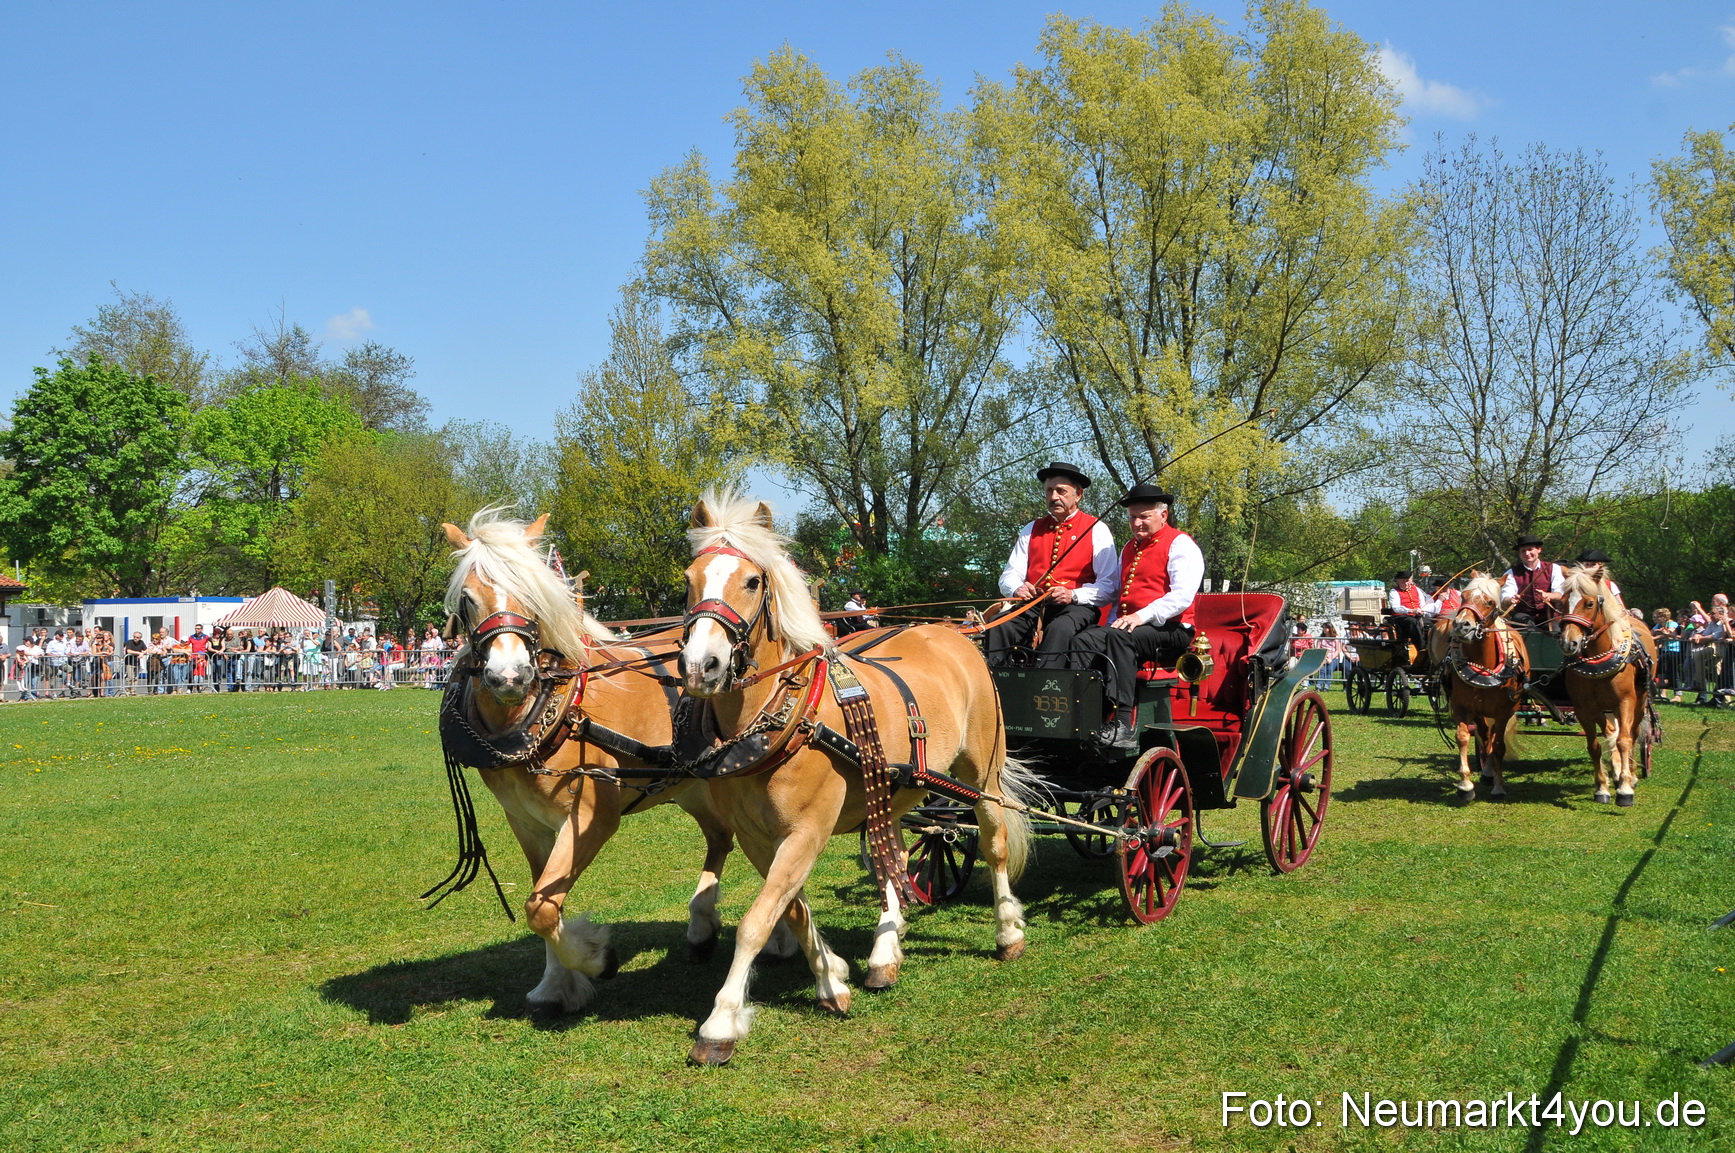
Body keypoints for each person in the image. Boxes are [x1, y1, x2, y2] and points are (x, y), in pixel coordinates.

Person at [1070, 484, 1203, 747]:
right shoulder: (1129, 548)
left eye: (1144, 516)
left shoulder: (1180, 544)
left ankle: (1122, 723)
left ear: (1163, 515)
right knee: (1083, 640)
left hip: (1173, 629)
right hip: (1131, 628)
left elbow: (1182, 596)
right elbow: (1120, 597)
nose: (1137, 522)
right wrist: (1107, 627)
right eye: (1133, 517)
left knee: (1120, 638)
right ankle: (1084, 714)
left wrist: (1141, 616)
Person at [987, 461, 1119, 668]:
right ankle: (999, 686)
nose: (1054, 497)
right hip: (1033, 605)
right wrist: (1017, 587)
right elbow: (1009, 575)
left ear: (1079, 495)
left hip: (1077, 608)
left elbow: (1109, 586)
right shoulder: (1031, 529)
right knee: (999, 625)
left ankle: (1046, 687)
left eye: (1061, 491)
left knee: (1060, 628)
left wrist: (1073, 595)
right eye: (1049, 491)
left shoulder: (1097, 529)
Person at [1500, 534, 1564, 627]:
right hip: (1523, 616)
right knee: (1526, 625)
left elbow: (1560, 594)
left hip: (1549, 615)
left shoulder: (1554, 568)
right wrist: (1512, 599)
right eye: (1523, 551)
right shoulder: (1511, 573)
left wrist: (1549, 595)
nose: (1527, 553)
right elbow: (1505, 598)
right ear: (1519, 553)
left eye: (1530, 549)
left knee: (1557, 630)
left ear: (1539, 550)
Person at [1386, 571, 1434, 655]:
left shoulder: (1417, 589)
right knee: (1412, 622)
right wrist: (1411, 610)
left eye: (1407, 580)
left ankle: (1433, 647)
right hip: (1401, 618)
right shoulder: (1394, 592)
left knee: (1433, 623)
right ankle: (1422, 649)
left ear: (1411, 580)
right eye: (1403, 581)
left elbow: (1422, 603)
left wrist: (1422, 610)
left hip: (1417, 616)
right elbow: (1396, 608)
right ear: (1397, 581)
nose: (1406, 583)